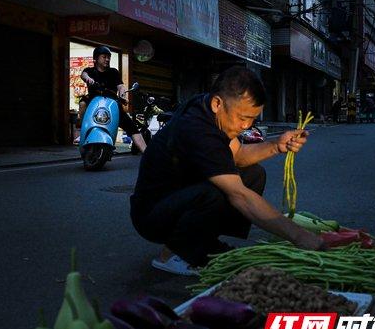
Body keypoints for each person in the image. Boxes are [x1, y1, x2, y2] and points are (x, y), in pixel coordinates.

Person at [130, 67, 326, 276]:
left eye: (252, 119)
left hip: (177, 198)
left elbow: (239, 154)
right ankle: (172, 253)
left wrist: (277, 145)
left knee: (253, 174)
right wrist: (299, 236)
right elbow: (240, 196)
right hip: (152, 216)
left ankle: (202, 241)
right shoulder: (197, 129)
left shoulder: (209, 107)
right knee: (221, 191)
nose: (246, 125)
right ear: (217, 104)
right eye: (243, 117)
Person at [79, 46, 147, 153]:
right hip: (93, 102)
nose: (107, 59)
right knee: (82, 103)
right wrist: (88, 79)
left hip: (111, 103)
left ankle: (146, 153)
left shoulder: (113, 72)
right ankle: (82, 132)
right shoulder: (90, 71)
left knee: (132, 127)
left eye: (108, 57)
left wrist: (122, 94)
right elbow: (83, 75)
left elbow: (120, 86)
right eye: (104, 57)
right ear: (96, 58)